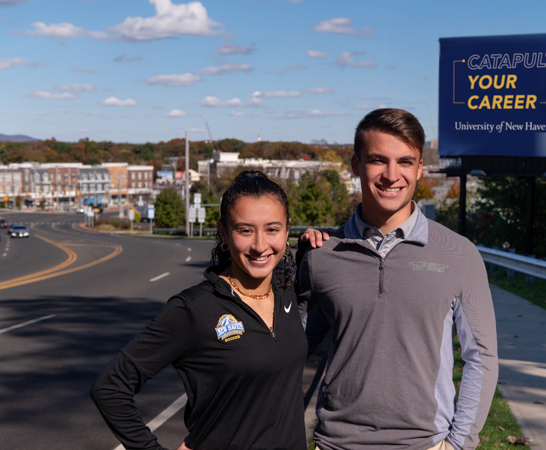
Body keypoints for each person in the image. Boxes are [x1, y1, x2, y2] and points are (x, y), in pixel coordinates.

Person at [298, 108, 498, 450]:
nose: (392, 175)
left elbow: (481, 356)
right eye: (378, 160)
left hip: (425, 444)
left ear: (420, 168)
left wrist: (459, 443)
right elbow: (290, 349)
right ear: (356, 166)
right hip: (337, 443)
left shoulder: (458, 254)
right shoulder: (322, 255)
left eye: (405, 162)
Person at [91, 171, 309, 450]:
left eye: (272, 229)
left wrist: (315, 243)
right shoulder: (193, 310)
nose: (260, 245)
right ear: (223, 232)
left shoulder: (286, 292)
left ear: (287, 230)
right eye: (245, 230)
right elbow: (110, 388)